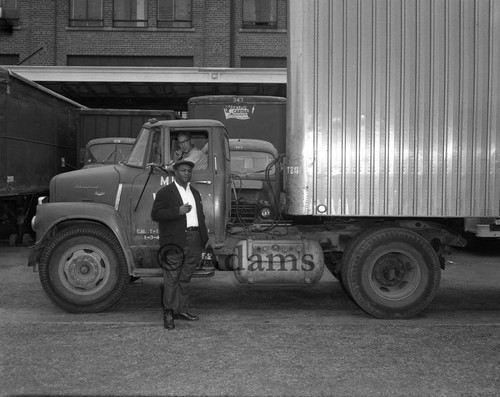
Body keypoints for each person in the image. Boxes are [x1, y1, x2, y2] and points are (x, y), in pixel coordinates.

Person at [151, 159, 209, 330]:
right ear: (175, 173)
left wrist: (203, 237)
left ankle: (181, 310)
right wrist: (178, 211)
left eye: (189, 171)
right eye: (183, 170)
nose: (187, 173)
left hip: (194, 239)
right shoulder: (165, 192)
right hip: (174, 240)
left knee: (185, 278)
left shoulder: (196, 193)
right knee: (171, 278)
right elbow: (156, 214)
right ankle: (168, 313)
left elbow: (201, 216)